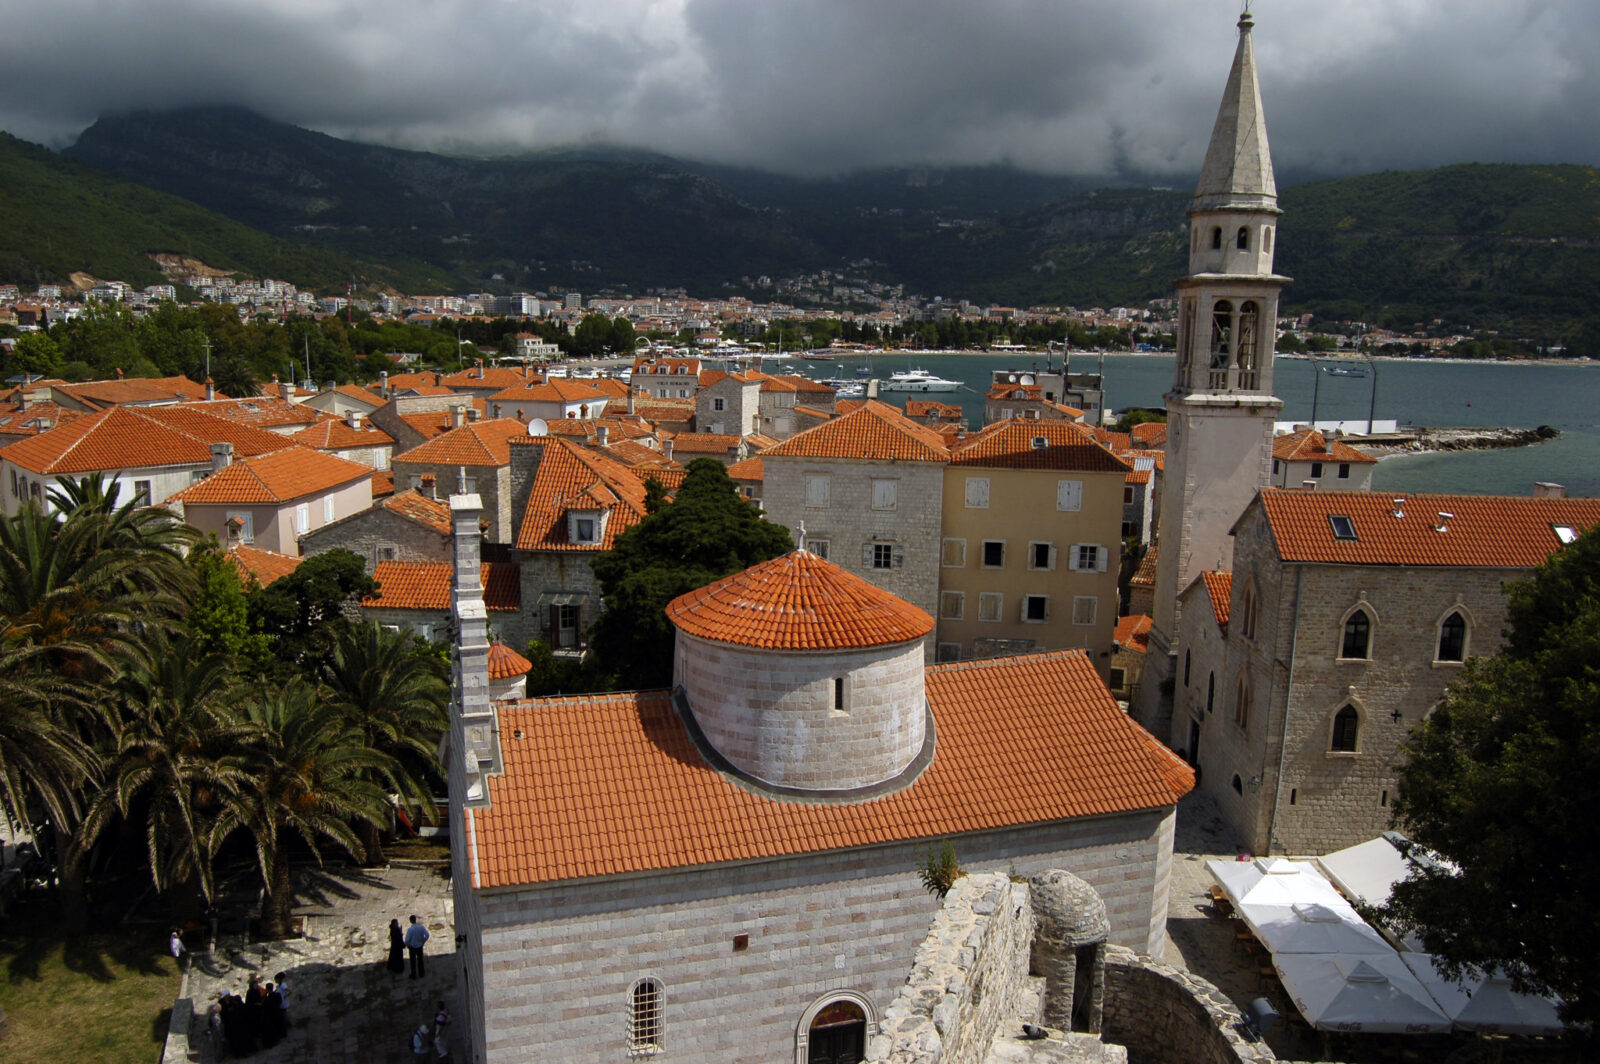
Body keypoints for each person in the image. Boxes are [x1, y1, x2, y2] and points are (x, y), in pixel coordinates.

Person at [404, 914, 430, 979]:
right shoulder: (421, 927)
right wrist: (423, 941)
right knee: (420, 960)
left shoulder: (410, 930)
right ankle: (421, 973)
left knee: (413, 962)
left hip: (412, 947)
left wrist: (407, 945)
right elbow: (427, 935)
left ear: (410, 921)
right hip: (419, 946)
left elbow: (407, 940)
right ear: (415, 920)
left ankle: (413, 975)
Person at [261, 982, 284, 1048]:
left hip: (270, 1016)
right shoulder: (277, 995)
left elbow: (264, 1007)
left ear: (267, 989)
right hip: (278, 1012)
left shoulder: (267, 999)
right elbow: (280, 1001)